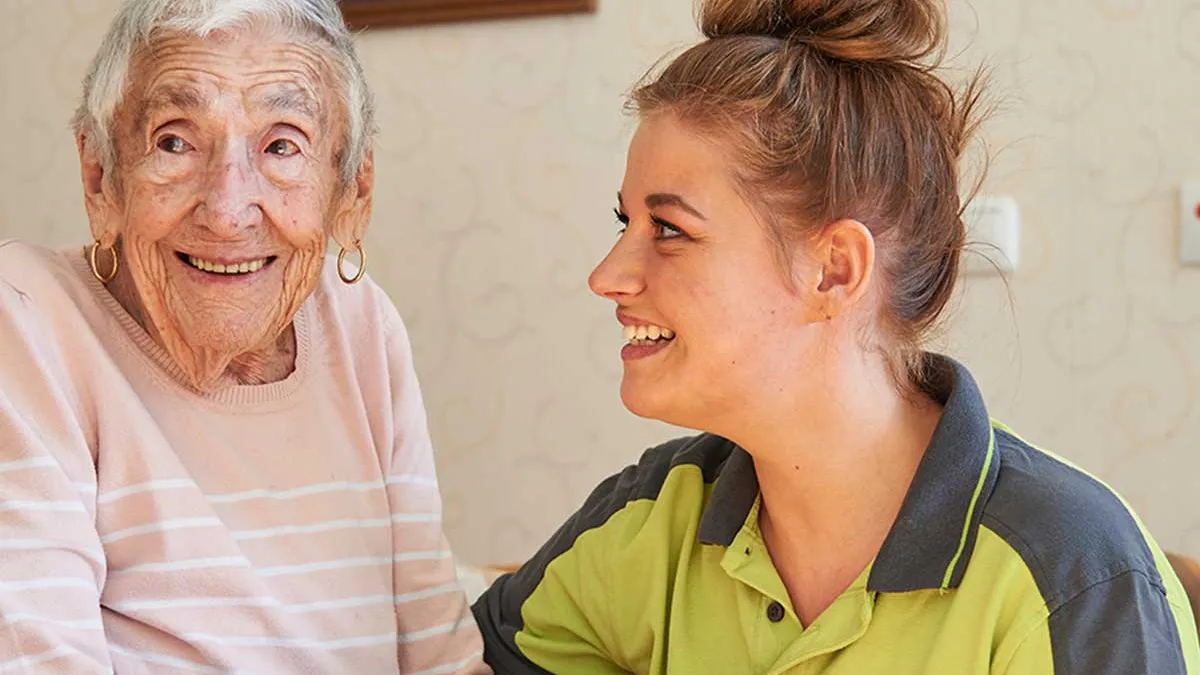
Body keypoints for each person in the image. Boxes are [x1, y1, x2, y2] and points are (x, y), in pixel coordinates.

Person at [472, 0, 1200, 672]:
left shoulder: (1074, 579)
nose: (608, 275)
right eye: (622, 222)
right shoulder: (651, 520)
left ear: (834, 269)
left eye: (669, 229)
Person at [0, 1, 488, 672]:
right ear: (99, 175)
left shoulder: (361, 325)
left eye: (282, 144)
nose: (229, 211)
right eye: (175, 140)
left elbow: (442, 656)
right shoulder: (28, 320)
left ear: (353, 193)